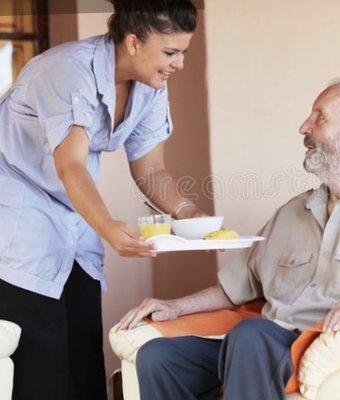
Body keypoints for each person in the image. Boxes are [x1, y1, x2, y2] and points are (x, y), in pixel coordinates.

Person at [120, 81, 340, 400]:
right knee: (157, 356)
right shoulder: (291, 212)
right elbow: (235, 287)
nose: (304, 127)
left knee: (252, 336)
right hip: (260, 346)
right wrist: (173, 306)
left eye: (319, 117)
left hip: (320, 344)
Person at [0, 1, 206, 399]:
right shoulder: (66, 70)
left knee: (84, 359)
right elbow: (71, 165)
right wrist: (109, 227)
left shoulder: (150, 85)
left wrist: (190, 216)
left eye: (183, 52)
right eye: (170, 52)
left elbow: (151, 172)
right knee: (40, 366)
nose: (178, 64)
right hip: (18, 214)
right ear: (132, 42)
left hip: (76, 215)